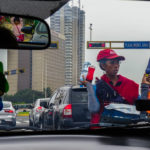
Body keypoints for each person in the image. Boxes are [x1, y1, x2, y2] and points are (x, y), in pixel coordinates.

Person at [80, 49, 150, 127]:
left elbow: (142, 107)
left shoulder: (129, 84)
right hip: (103, 132)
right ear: (103, 65)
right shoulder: (97, 87)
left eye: (117, 62)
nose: (116, 65)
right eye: (112, 62)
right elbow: (93, 109)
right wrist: (89, 87)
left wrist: (145, 87)